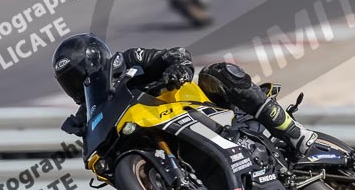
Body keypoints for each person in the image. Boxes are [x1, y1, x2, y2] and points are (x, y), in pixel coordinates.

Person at [52, 33, 317, 156]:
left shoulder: (128, 60)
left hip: (196, 107)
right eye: (71, 81)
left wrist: (177, 66)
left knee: (219, 72)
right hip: (159, 136)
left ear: (97, 60)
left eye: (80, 74)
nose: (79, 83)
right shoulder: (90, 115)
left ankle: (294, 132)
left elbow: (173, 54)